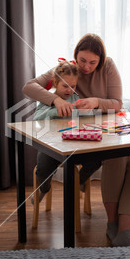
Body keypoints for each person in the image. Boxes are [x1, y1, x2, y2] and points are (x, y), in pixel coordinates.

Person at [23, 33, 130, 246]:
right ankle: (112, 224)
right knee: (116, 158)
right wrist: (54, 99)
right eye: (82, 60)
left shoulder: (108, 66)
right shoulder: (66, 69)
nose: (86, 67)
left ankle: (125, 232)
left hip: (107, 128)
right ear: (75, 56)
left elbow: (117, 103)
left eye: (92, 62)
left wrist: (97, 102)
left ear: (100, 60)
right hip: (74, 133)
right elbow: (28, 87)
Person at [31, 59, 101, 203]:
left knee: (97, 158)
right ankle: (44, 188)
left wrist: (85, 110)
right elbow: (36, 118)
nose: (69, 90)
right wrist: (55, 111)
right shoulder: (47, 99)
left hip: (74, 143)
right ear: (56, 83)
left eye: (73, 86)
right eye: (65, 86)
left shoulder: (75, 98)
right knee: (43, 167)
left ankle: (79, 181)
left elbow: (87, 117)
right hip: (51, 145)